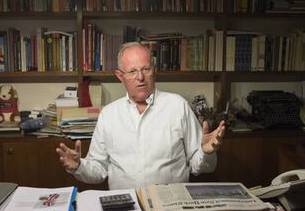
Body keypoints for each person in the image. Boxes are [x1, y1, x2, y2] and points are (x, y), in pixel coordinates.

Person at [56, 42, 225, 190]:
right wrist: (78, 166)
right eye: (131, 71)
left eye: (146, 69)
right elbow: (98, 170)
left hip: (170, 205)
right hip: (126, 205)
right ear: (120, 76)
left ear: (154, 70)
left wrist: (206, 152)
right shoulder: (108, 115)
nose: (140, 77)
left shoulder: (178, 106)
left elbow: (200, 166)